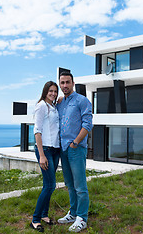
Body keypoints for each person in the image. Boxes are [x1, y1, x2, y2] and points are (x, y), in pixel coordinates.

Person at [57, 72, 93, 232]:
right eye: (62, 83)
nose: (65, 85)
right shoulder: (60, 103)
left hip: (76, 148)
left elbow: (87, 124)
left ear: (73, 83)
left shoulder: (82, 100)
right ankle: (73, 213)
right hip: (62, 149)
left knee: (80, 185)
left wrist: (75, 142)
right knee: (69, 184)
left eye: (67, 82)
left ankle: (82, 218)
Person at [30, 81, 60, 233]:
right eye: (50, 91)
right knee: (50, 185)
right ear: (45, 92)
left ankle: (44, 215)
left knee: (48, 185)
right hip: (45, 150)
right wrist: (41, 155)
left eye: (55, 91)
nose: (53, 94)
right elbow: (37, 131)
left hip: (55, 150)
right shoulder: (41, 106)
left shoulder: (53, 106)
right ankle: (35, 220)